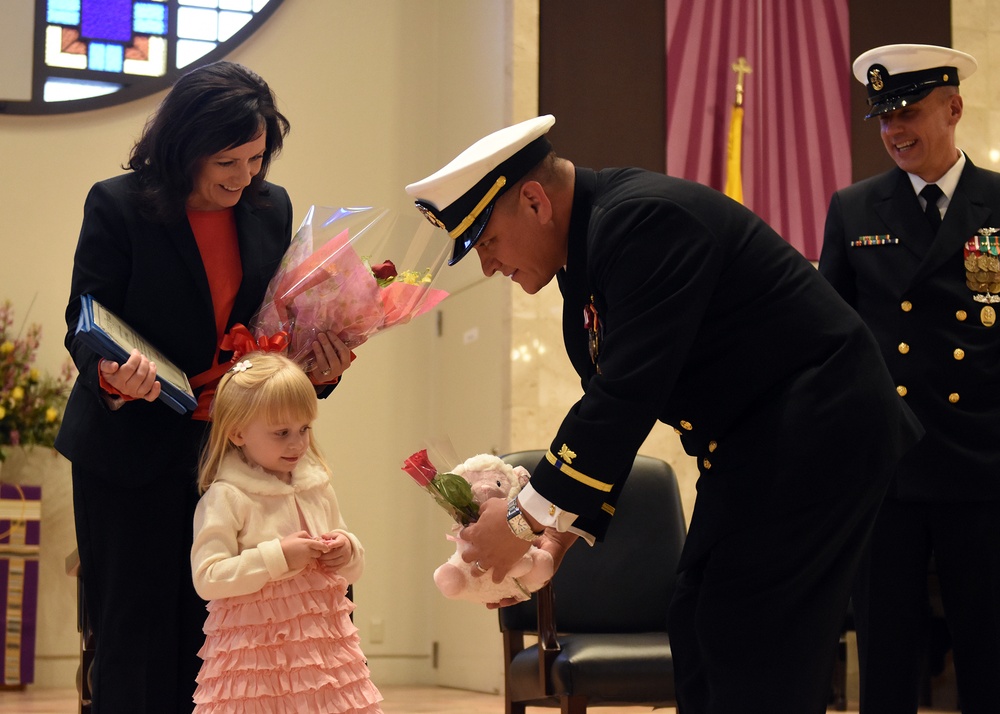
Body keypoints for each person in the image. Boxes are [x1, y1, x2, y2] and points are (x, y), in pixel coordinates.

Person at [404, 114, 923, 713]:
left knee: (751, 634)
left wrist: (520, 522)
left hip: (821, 434)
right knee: (700, 619)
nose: (487, 266)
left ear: (534, 200)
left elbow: (625, 397)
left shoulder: (645, 220)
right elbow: (607, 417)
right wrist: (545, 542)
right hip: (759, 445)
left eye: (486, 241)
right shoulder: (591, 257)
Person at [55, 61, 354, 713]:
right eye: (228, 162)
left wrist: (318, 368)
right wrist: (111, 374)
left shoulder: (268, 208)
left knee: (220, 632)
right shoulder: (118, 205)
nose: (245, 177)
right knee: (132, 632)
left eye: (256, 159)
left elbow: (274, 329)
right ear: (185, 145)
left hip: (226, 451)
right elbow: (86, 317)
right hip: (129, 449)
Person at [820, 43, 1000, 713]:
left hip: (983, 467)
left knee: (989, 655)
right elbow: (830, 339)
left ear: (953, 108)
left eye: (909, 112)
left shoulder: (997, 204)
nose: (895, 130)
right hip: (889, 471)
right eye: (883, 118)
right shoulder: (856, 209)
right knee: (888, 657)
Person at [190, 351, 382, 713]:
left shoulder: (317, 487)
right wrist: (277, 557)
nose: (297, 443)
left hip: (323, 651)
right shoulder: (227, 496)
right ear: (237, 432)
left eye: (304, 429)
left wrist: (347, 549)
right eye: (281, 433)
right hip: (257, 660)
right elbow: (207, 577)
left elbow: (351, 569)